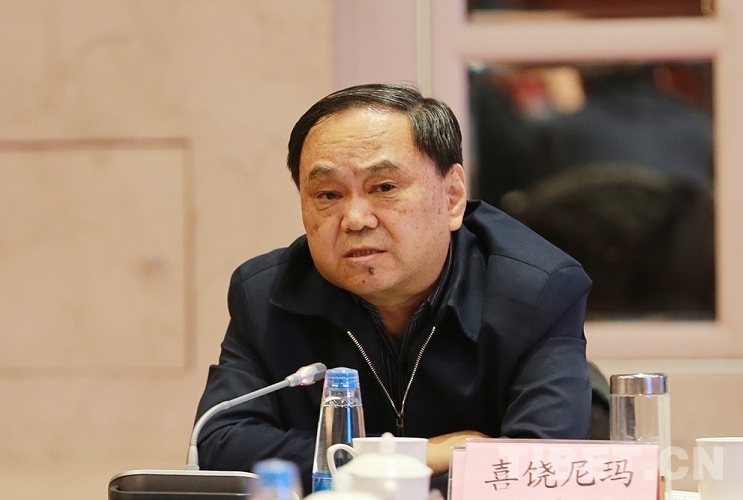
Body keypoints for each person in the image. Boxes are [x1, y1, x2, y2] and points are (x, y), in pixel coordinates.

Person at [194, 82, 593, 495]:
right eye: (328, 194)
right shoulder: (266, 295)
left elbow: (539, 466)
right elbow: (219, 442)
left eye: (384, 188)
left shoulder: (536, 289)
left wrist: (353, 470)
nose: (355, 219)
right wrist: (413, 456)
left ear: (452, 196)